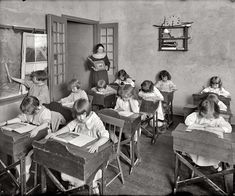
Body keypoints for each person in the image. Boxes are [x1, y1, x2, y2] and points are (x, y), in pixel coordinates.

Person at [47, 98, 109, 194]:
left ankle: (84, 186)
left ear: (87, 112)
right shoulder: (79, 118)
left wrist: (96, 144)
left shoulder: (95, 120)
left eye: (82, 115)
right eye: (77, 115)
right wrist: (56, 134)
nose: (79, 118)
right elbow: (68, 127)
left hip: (92, 155)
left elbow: (106, 136)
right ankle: (73, 186)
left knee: (79, 173)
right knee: (65, 165)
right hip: (79, 150)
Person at [0, 96, 57, 182]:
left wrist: (36, 129)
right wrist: (6, 122)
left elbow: (45, 124)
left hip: (43, 137)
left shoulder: (45, 112)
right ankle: (22, 173)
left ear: (36, 108)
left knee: (26, 154)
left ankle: (25, 173)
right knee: (18, 150)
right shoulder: (29, 112)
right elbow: (20, 118)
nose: (26, 114)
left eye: (27, 112)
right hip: (30, 136)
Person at [185, 99, 232, 170]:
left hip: (213, 149)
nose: (209, 120)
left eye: (211, 118)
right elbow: (187, 122)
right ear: (201, 112)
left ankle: (214, 164)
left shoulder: (218, 119)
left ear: (216, 113)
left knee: (215, 149)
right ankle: (202, 161)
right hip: (197, 148)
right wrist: (202, 126)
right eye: (206, 117)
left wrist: (214, 128)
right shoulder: (196, 116)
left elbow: (229, 128)